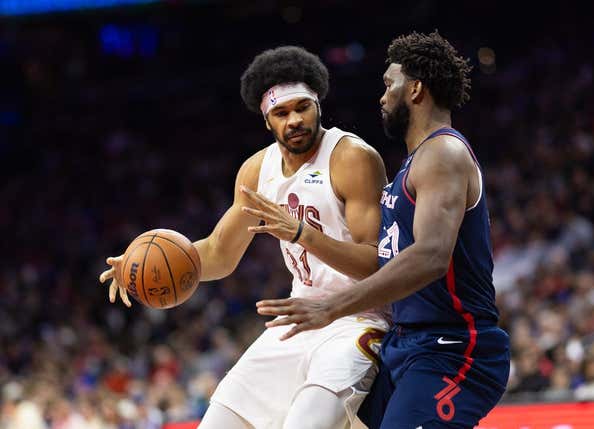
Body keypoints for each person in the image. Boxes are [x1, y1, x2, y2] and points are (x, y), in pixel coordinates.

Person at [99, 46, 389, 429]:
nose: (295, 120)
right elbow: (219, 252)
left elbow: (377, 263)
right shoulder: (257, 171)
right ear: (267, 120)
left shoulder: (351, 157)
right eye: (281, 113)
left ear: (318, 103)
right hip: (299, 316)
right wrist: (142, 266)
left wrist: (301, 233)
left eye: (302, 107)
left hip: (358, 316)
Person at [256, 31, 510, 429]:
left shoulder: (444, 153)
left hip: (454, 347)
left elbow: (429, 257)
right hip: (406, 343)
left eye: (389, 84)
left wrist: (330, 306)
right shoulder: (415, 163)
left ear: (416, 89)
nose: (382, 96)